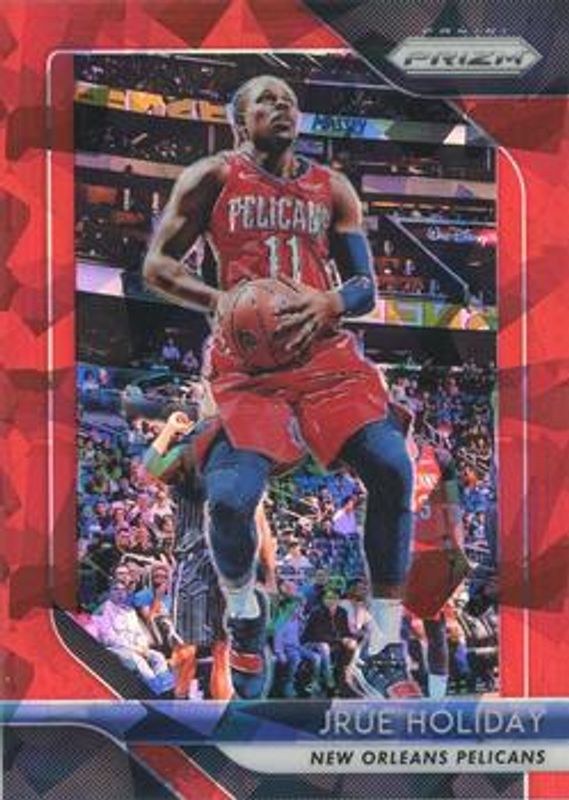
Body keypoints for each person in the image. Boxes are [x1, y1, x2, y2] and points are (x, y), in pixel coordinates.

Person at [144, 74, 418, 699]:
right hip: (247, 369)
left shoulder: (333, 188)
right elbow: (157, 265)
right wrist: (218, 301)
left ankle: (382, 646)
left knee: (392, 467)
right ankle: (244, 612)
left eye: (289, 101)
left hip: (323, 357)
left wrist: (330, 302)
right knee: (229, 500)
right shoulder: (212, 177)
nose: (281, 107)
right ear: (240, 120)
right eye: (266, 100)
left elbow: (364, 286)